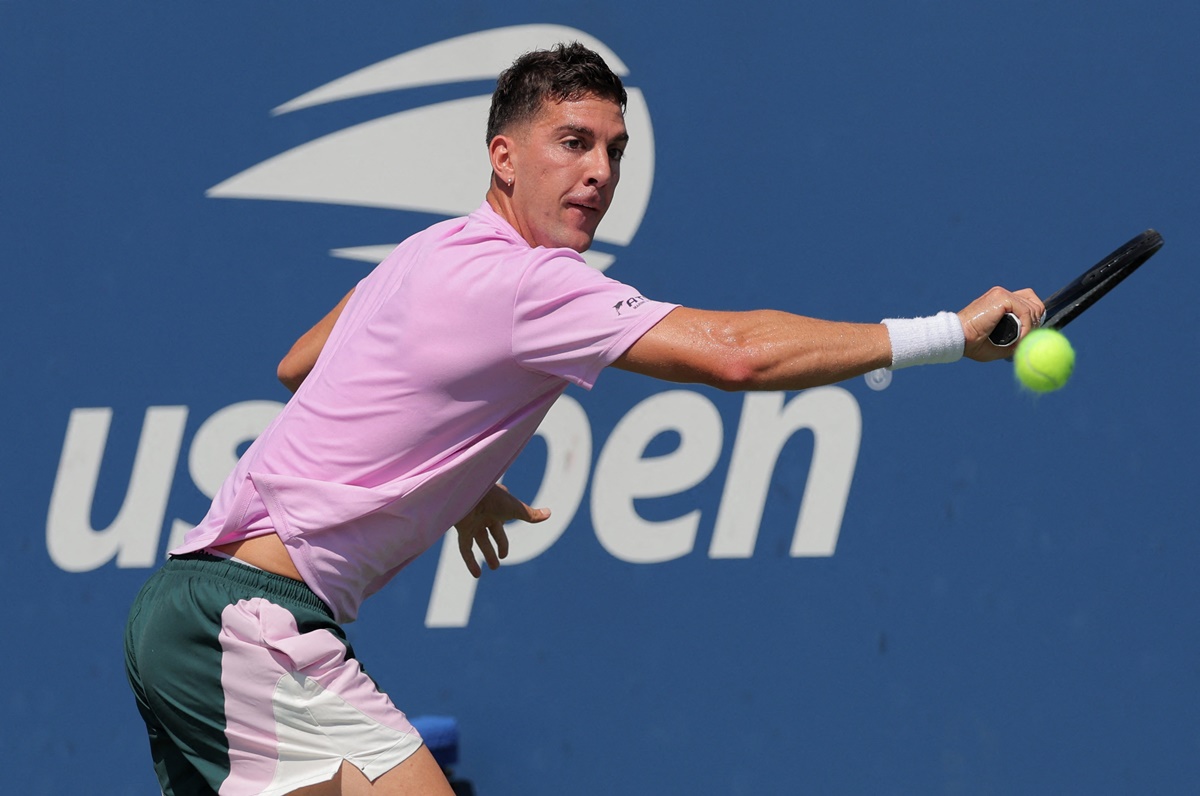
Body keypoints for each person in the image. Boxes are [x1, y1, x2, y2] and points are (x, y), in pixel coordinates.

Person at [124, 42, 1044, 796]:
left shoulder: (426, 251)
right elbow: (736, 353)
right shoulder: (528, 282)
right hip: (247, 624)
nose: (599, 173)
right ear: (504, 156)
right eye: (573, 143)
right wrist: (945, 336)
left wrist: (458, 475)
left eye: (614, 151)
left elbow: (301, 364)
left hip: (183, 608)